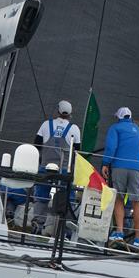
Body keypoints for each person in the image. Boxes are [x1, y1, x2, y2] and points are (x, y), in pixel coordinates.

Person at [32, 100, 81, 234]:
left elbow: (36, 145)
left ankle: (38, 225)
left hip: (45, 168)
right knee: (67, 200)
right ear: (70, 114)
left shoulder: (46, 124)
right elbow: (77, 151)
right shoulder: (74, 128)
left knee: (41, 197)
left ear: (57, 111)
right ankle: (65, 231)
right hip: (64, 171)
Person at [102, 107, 139, 250]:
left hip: (119, 167)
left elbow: (111, 147)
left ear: (119, 117)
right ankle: (138, 239)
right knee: (136, 203)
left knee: (119, 199)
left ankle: (119, 232)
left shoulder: (115, 128)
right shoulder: (138, 130)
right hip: (137, 169)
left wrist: (105, 163)